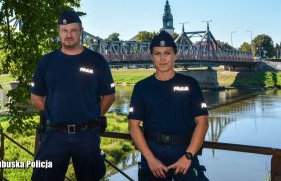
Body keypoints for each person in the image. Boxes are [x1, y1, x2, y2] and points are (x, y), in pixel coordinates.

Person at [30, 10, 115, 181]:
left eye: (73, 30)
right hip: (54, 135)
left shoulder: (97, 60)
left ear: (81, 31)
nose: (69, 35)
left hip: (87, 134)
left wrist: (92, 116)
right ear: (58, 31)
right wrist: (53, 115)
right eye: (64, 30)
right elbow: (36, 97)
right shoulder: (47, 61)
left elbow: (109, 96)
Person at [128, 30, 209, 181]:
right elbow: (133, 126)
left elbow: (203, 123)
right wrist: (150, 159)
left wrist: (188, 156)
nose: (162, 58)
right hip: (152, 151)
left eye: (167, 53)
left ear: (175, 55)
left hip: (184, 151)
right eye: (157, 53)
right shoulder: (141, 87)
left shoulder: (190, 84)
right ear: (151, 57)